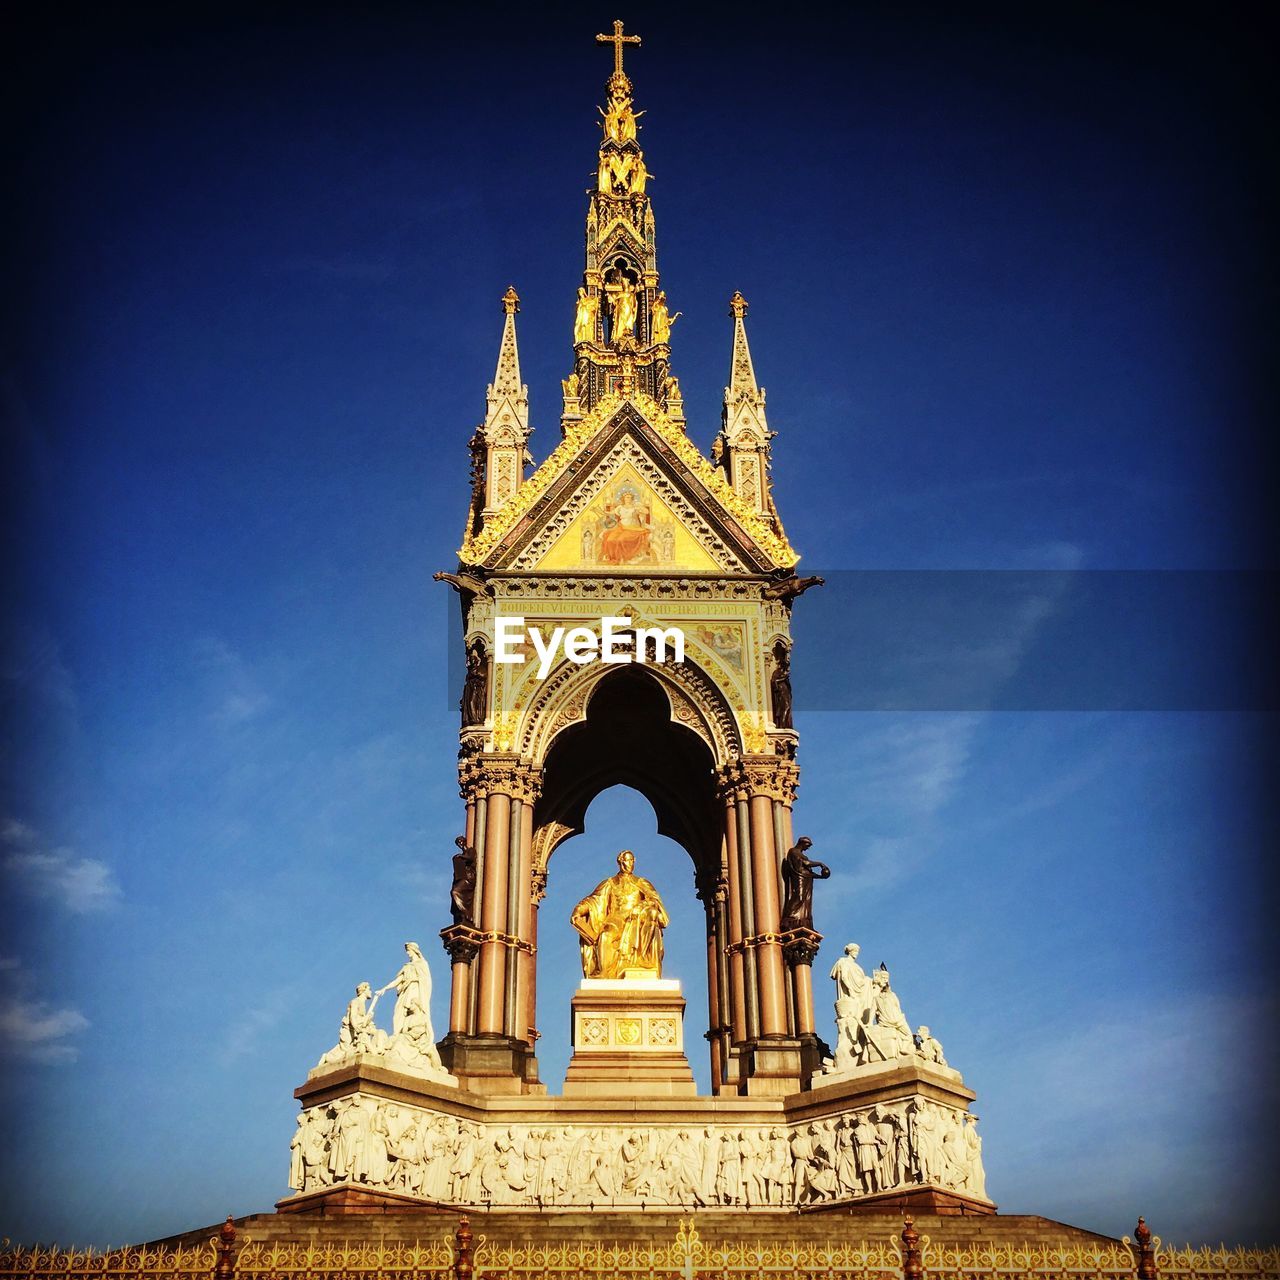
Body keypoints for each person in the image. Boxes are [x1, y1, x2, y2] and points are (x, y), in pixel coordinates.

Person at [571, 850, 669, 979]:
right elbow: (593, 900)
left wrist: (639, 907)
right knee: (606, 935)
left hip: (637, 919)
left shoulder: (641, 882)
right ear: (620, 862)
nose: (630, 863)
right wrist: (579, 910)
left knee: (652, 913)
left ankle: (644, 958)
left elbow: (654, 901)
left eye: (632, 860)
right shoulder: (610, 883)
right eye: (627, 860)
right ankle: (604, 972)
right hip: (615, 920)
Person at [779, 836, 831, 932]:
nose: (808, 848)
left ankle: (804, 920)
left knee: (806, 902)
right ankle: (790, 918)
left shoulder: (802, 854)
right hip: (799, 879)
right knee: (798, 897)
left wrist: (820, 876)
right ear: (802, 843)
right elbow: (806, 863)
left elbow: (808, 872)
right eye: (807, 845)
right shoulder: (794, 851)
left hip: (807, 879)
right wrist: (820, 863)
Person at [449, 836, 477, 925]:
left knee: (455, 892)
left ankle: (466, 914)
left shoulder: (470, 850)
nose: (460, 844)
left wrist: (461, 856)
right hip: (462, 877)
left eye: (461, 841)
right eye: (458, 843)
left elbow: (470, 858)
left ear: (465, 841)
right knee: (453, 892)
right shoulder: (461, 856)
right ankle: (460, 915)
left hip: (469, 878)